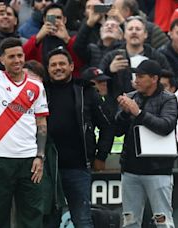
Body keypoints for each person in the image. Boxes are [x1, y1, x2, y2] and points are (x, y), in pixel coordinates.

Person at [0, 8, 49, 227]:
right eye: (11, 56)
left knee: (32, 215)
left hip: (28, 160)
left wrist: (40, 156)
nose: (17, 60)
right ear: (2, 59)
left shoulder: (36, 86)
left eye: (20, 56)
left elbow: (41, 124)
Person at [45, 48, 114, 228]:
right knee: (49, 221)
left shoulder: (86, 91)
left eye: (62, 64)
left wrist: (101, 156)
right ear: (48, 69)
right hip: (48, 169)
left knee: (82, 220)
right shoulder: (40, 91)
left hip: (78, 167)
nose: (58, 68)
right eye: (53, 65)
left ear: (71, 66)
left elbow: (107, 125)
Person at [116, 59, 178, 228]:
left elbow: (166, 126)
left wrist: (138, 113)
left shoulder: (168, 99)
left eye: (141, 76)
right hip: (130, 169)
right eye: (136, 76)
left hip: (158, 169)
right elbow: (117, 131)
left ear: (154, 78)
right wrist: (123, 114)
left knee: (163, 221)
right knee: (129, 221)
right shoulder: (130, 97)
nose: (136, 80)